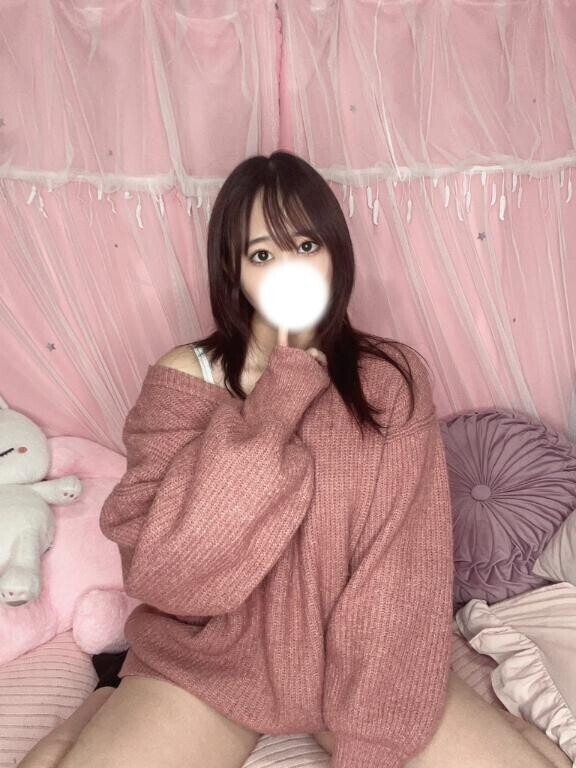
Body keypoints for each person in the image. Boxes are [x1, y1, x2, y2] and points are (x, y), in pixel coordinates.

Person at [18, 151, 571, 768]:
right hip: (210, 661)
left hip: (357, 660)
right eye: (262, 255)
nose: (290, 269)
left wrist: (372, 740)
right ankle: (102, 703)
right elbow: (167, 575)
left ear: (336, 253)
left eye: (307, 245)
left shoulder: (390, 377)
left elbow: (403, 562)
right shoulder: (186, 378)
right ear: (233, 270)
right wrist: (279, 396)